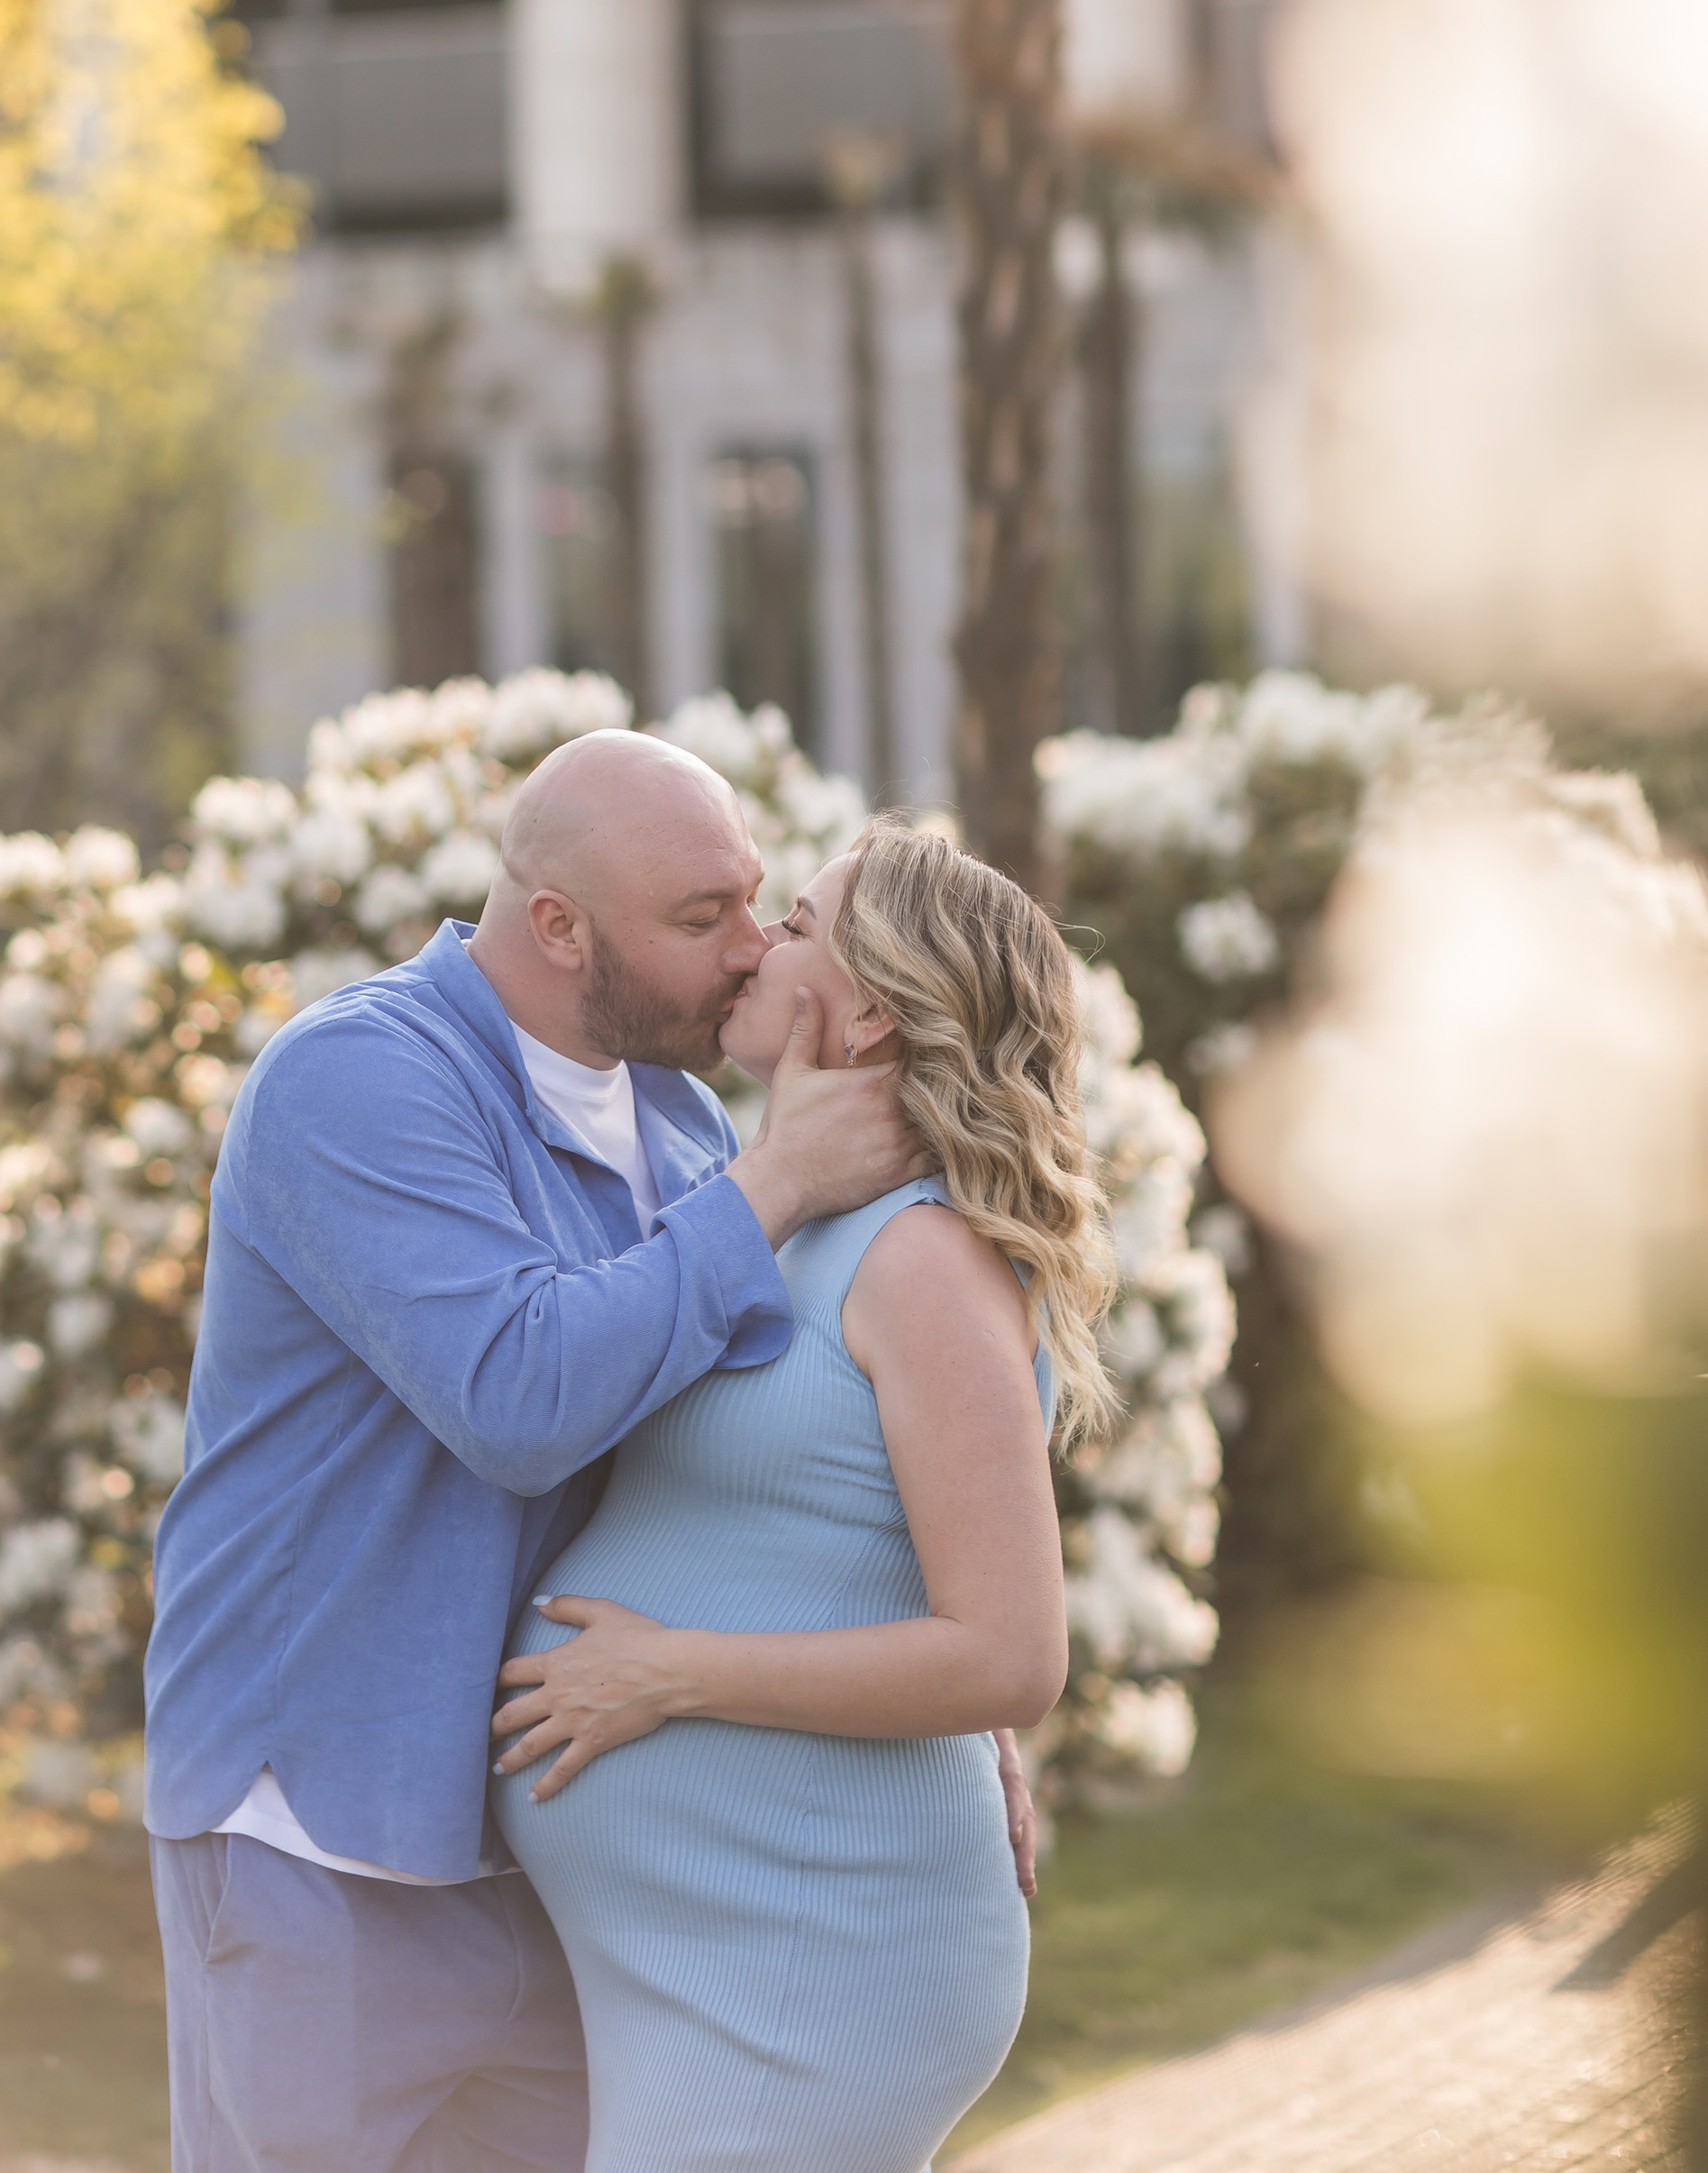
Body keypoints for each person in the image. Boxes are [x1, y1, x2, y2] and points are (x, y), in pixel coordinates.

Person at [141, 726, 935, 2173]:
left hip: (560, 1853)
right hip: (321, 1845)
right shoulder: (355, 1079)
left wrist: (960, 1699)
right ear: (558, 925)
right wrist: (783, 1179)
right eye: (701, 920)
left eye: (753, 898)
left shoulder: (682, 1119)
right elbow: (520, 1397)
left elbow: (758, 1462)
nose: (751, 949)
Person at [488, 817, 1114, 2173]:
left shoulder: (926, 1259)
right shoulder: (774, 1206)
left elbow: (1009, 1652)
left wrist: (665, 1676)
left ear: (872, 1007)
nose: (761, 940)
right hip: (710, 1934)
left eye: (801, 923)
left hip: (819, 1942)